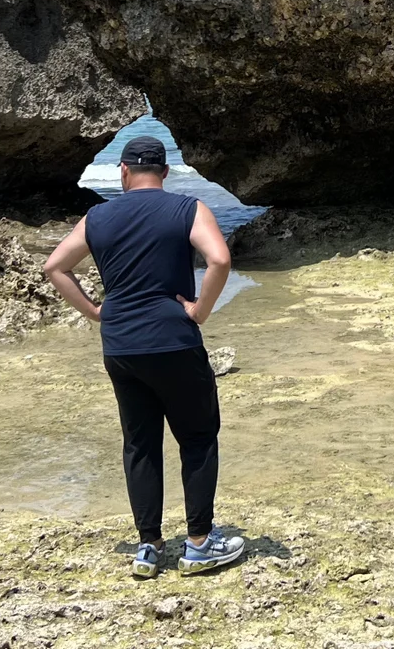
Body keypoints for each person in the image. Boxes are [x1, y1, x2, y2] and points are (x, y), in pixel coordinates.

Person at [43, 135, 244, 578]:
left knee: (140, 444)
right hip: (174, 341)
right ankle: (198, 544)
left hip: (121, 347)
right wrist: (199, 310)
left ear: (123, 172)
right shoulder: (187, 208)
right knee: (196, 438)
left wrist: (97, 312)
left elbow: (55, 267)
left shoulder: (97, 216)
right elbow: (220, 260)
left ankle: (148, 547)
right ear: (165, 173)